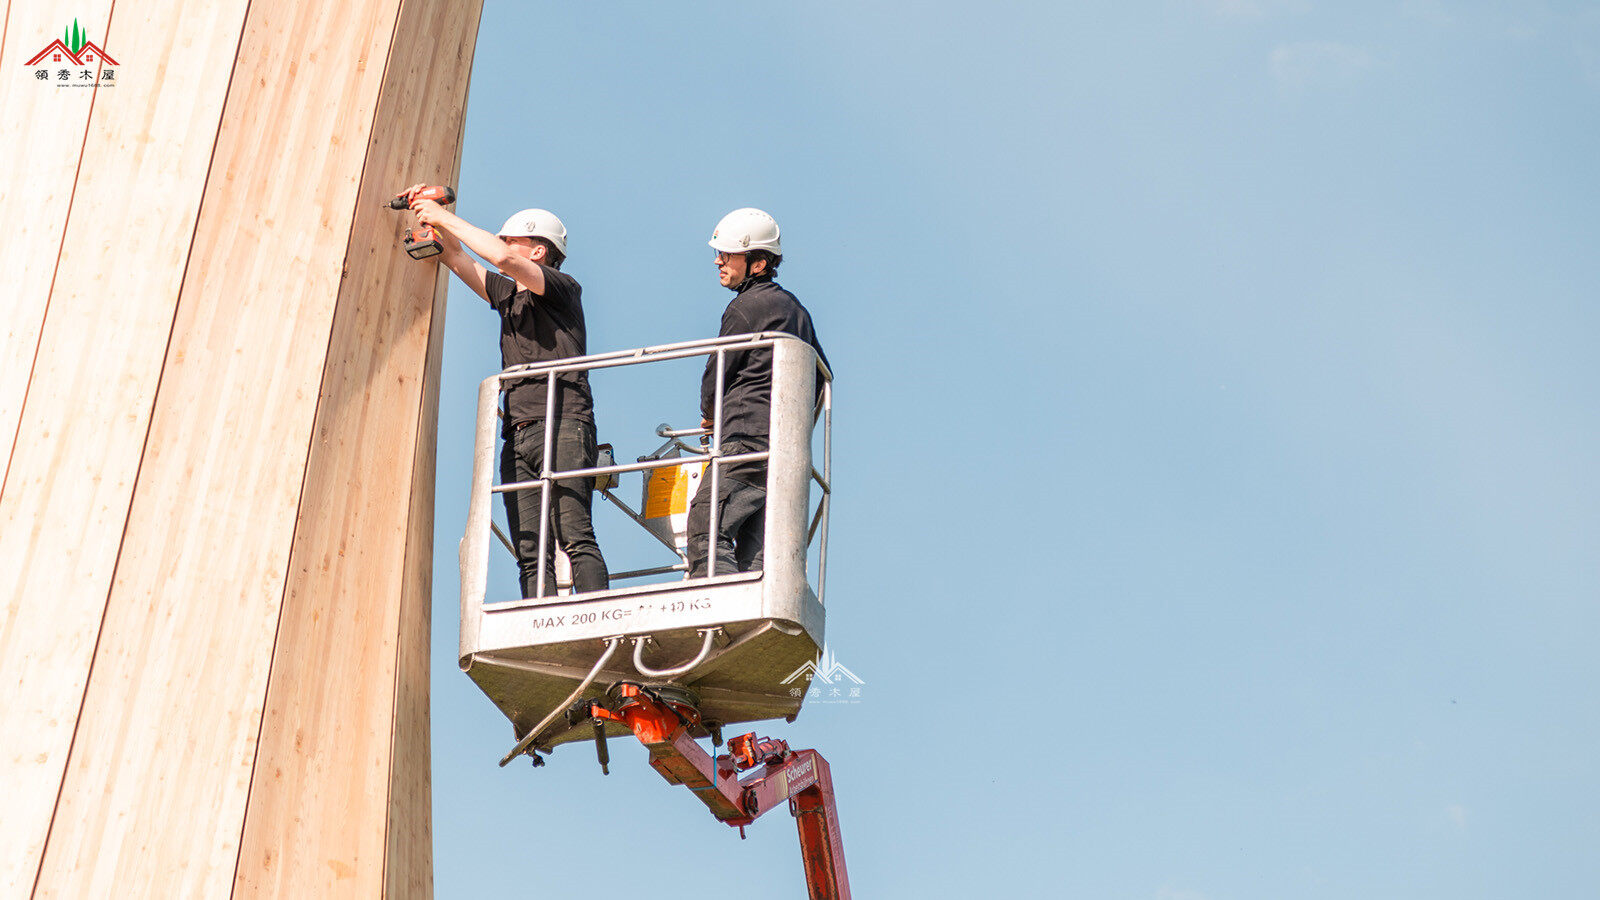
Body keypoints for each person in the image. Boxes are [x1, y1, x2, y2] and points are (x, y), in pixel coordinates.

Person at [406, 185, 608, 597]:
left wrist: (443, 217)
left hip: (564, 422)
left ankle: (597, 616)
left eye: (512, 239)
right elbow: (459, 257)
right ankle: (541, 623)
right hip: (517, 432)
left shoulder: (562, 288)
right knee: (530, 550)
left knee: (574, 532)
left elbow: (500, 258)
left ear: (538, 252)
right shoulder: (507, 296)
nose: (501, 245)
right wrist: (428, 218)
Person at [687, 208, 828, 578]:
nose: (719, 261)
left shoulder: (745, 307)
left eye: (728, 254)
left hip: (746, 440)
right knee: (755, 552)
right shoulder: (796, 310)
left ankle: (713, 604)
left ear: (758, 262)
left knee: (706, 527)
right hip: (782, 449)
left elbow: (718, 369)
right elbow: (821, 377)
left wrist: (708, 413)